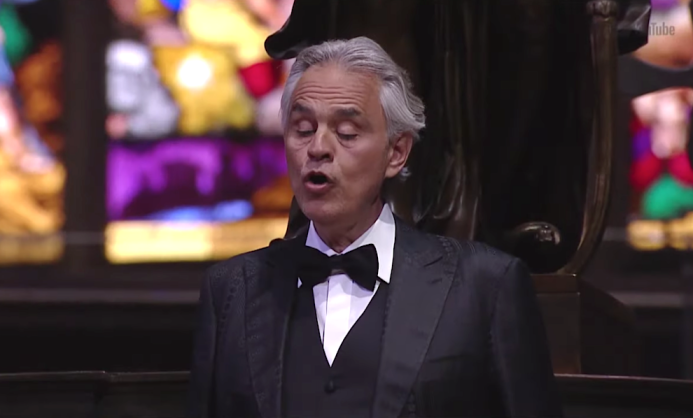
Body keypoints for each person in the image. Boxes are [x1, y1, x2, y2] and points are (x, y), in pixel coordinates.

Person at [187, 36, 563, 418]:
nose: (318, 147)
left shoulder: (485, 284)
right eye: (302, 128)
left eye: (346, 133)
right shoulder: (232, 290)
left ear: (396, 152)